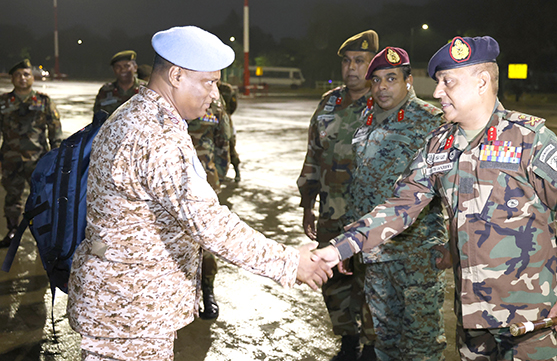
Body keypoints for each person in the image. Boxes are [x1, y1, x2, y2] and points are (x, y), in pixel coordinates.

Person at [316, 36, 557, 361]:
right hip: (472, 319)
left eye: (447, 82)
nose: (438, 92)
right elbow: (400, 206)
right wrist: (341, 247)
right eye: (439, 82)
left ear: (482, 83)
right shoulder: (439, 145)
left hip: (530, 317)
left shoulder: (529, 140)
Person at [67, 26, 332, 361]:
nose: (215, 95)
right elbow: (209, 223)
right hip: (130, 312)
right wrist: (290, 263)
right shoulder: (157, 136)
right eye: (209, 82)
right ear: (176, 75)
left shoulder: (136, 113)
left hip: (123, 303)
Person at [347, 47, 448, 360]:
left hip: (415, 254)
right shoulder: (366, 118)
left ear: (409, 80)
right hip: (374, 254)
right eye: (376, 80)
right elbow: (360, 182)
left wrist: (453, 243)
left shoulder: (431, 121)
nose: (382, 87)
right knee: (385, 340)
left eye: (391, 78)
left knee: (422, 344)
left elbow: (453, 188)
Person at [297, 29, 378, 360]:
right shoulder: (328, 103)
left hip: (372, 217)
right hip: (332, 212)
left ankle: (372, 346)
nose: (351, 68)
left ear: (373, 64)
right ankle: (348, 339)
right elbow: (313, 155)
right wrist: (307, 204)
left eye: (359, 61)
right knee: (333, 283)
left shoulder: (384, 103)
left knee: (371, 281)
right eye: (346, 61)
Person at [0, 59, 62, 248]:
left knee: (42, 198)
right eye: (18, 75)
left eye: (26, 74)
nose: (22, 78)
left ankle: (44, 234)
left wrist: (57, 155)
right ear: (12, 78)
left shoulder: (43, 101)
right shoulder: (3, 101)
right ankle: (12, 230)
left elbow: (55, 129)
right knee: (12, 196)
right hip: (11, 158)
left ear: (32, 77)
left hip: (38, 160)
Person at [187, 95, 232, 320]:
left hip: (205, 180)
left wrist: (217, 177)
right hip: (170, 180)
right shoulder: (167, 96)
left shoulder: (215, 103)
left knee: (205, 238)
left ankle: (207, 290)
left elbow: (224, 142)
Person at [93, 50, 147, 116]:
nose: (122, 70)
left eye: (126, 66)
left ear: (135, 68)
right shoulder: (105, 91)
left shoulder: (147, 89)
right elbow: (97, 118)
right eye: (118, 67)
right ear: (113, 70)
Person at [216, 81, 241, 182]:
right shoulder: (207, 86)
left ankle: (236, 170)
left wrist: (226, 114)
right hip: (210, 120)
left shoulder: (226, 89)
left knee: (229, 145)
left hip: (224, 120)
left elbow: (233, 105)